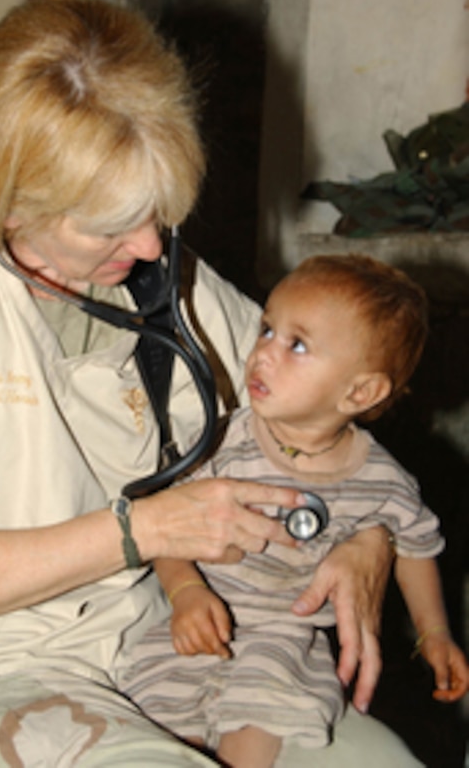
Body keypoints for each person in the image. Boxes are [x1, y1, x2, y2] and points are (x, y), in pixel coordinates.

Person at [0, 0, 423, 766]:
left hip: (175, 646)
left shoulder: (160, 280)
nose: (149, 243)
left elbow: (311, 419)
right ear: (4, 200)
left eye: (157, 210)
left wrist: (367, 537)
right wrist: (142, 531)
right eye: (108, 223)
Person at [119, 254, 469, 767]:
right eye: (266, 330)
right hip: (194, 620)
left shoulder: (384, 481)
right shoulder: (222, 443)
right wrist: (186, 590)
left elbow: (416, 549)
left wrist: (434, 633)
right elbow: (166, 523)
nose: (263, 354)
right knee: (165, 732)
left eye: (296, 344)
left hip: (287, 638)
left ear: (361, 391)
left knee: (257, 728)